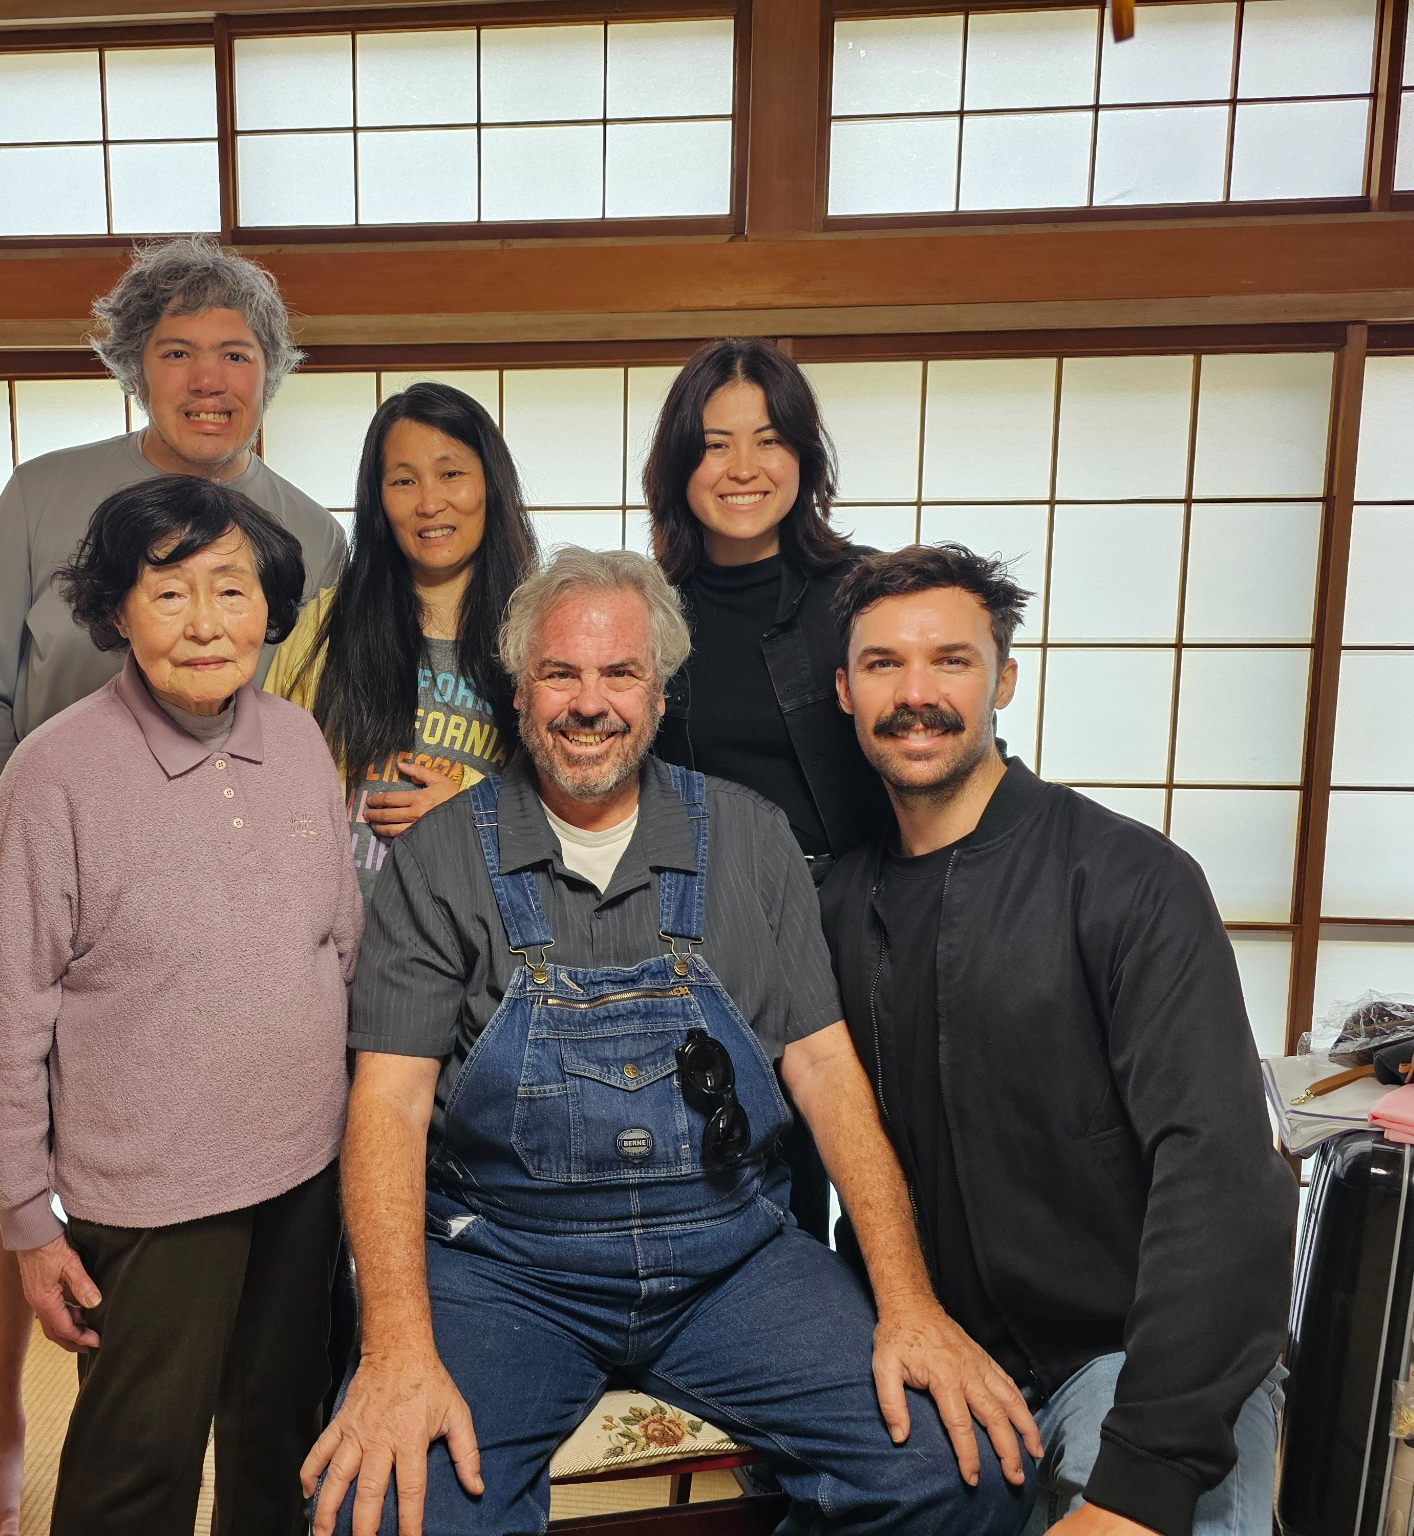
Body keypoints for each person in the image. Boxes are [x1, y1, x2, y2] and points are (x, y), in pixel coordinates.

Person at [302, 548, 1038, 1536]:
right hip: (507, 1266)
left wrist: (907, 1304)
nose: (587, 703)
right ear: (518, 692)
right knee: (392, 1510)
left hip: (730, 1256)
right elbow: (386, 1105)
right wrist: (395, 1349)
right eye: (560, 673)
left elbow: (821, 1070)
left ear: (658, 692)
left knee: (958, 1469)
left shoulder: (749, 837)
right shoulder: (437, 857)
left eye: (620, 674)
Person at [0, 235, 347, 1536]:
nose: (210, 373)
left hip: (279, 1116)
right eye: (178, 348)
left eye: (237, 349)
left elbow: (325, 895)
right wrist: (64, 847)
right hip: (90, 953)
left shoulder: (308, 552)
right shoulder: (48, 499)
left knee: (279, 1420)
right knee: (135, 1417)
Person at [819, 543, 1296, 1536]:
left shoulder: (1128, 881)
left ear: (1004, 677)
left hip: (1135, 1361)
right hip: (937, 1360)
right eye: (881, 665)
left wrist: (1143, 1479)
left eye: (949, 660)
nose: (916, 694)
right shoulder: (832, 904)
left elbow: (1220, 1176)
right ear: (842, 690)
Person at [643, 335, 893, 1244]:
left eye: (769, 439)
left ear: (804, 456)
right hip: (714, 926)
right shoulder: (654, 607)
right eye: (714, 443)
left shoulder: (864, 593)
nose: (742, 468)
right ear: (679, 463)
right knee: (749, 1178)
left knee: (876, 1170)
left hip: (860, 918)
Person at [268, 382, 539, 899]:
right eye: (403, 481)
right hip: (336, 942)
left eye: (451, 473)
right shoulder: (326, 624)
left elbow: (584, 803)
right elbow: (265, 776)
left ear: (491, 484)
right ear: (379, 499)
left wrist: (475, 809)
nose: (430, 503)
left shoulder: (539, 630)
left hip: (476, 943)